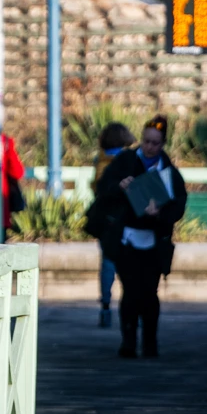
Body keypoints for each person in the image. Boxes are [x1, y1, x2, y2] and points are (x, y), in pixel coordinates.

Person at [94, 114, 187, 358]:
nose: (149, 147)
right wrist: (119, 187)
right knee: (130, 290)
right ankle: (128, 341)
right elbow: (103, 189)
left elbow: (178, 205)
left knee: (149, 292)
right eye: (146, 141)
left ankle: (149, 341)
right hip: (127, 238)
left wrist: (160, 213)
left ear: (162, 144)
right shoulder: (125, 161)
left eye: (155, 143)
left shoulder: (168, 171)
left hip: (154, 241)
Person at [82, 122, 134, 328]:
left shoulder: (100, 159)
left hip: (105, 221)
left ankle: (105, 306)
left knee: (107, 264)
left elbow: (96, 187)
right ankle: (132, 307)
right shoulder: (127, 159)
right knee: (130, 266)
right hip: (125, 219)